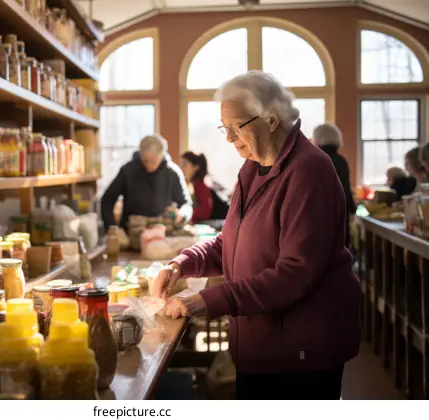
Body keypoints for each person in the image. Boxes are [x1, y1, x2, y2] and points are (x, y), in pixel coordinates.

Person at [153, 71, 361, 400]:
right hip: (262, 344)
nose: (228, 137)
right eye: (225, 127)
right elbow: (229, 243)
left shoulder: (309, 171)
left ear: (272, 120)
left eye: (235, 126)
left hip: (300, 353)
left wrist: (209, 300)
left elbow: (295, 274)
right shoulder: (252, 166)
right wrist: (182, 263)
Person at [101, 134, 193, 230]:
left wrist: (181, 215)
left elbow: (187, 204)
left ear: (162, 155)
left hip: (163, 232)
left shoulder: (173, 173)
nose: (149, 165)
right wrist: (111, 227)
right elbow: (107, 200)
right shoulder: (128, 171)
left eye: (153, 161)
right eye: (145, 161)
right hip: (132, 230)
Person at [312, 123, 356, 249]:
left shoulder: (315, 160)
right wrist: (352, 208)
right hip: (340, 217)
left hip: (319, 219)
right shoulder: (341, 160)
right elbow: (345, 190)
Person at [179, 152, 213, 223]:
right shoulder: (185, 185)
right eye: (180, 165)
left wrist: (184, 212)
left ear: (195, 167)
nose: (180, 168)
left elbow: (205, 212)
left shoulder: (201, 187)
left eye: (184, 165)